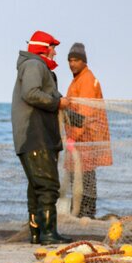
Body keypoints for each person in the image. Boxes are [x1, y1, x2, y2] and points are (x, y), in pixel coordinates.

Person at [12, 30, 75, 244]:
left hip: (34, 137)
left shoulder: (36, 67)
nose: (55, 52)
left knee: (36, 188)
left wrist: (73, 114)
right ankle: (49, 234)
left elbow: (47, 94)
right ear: (43, 48)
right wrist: (58, 103)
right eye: (53, 47)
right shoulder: (34, 65)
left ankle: (37, 234)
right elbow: (30, 93)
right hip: (36, 137)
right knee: (48, 186)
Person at [63, 42, 112, 218]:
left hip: (87, 139)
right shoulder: (78, 79)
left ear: (84, 61)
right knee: (79, 177)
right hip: (80, 139)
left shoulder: (87, 80)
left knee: (86, 177)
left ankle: (86, 214)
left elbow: (85, 114)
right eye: (69, 60)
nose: (71, 64)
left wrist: (73, 138)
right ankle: (81, 213)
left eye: (75, 60)